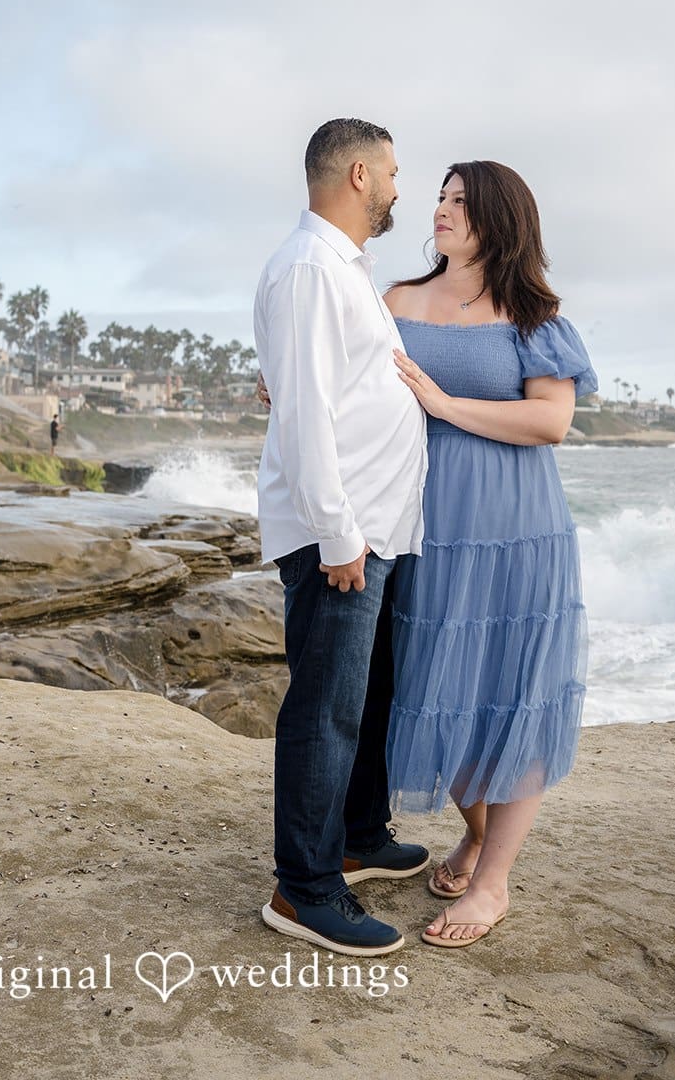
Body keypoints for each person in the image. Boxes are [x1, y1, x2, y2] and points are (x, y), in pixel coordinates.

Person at [383, 160, 598, 948]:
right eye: (439, 197)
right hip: (423, 523)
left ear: (499, 219)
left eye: (461, 202)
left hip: (516, 529)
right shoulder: (396, 300)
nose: (440, 209)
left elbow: (549, 423)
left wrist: (442, 404)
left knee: (512, 694)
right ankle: (476, 833)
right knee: (437, 685)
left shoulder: (534, 315)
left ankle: (493, 881)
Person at [253, 118, 430, 957]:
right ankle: (305, 889)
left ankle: (359, 837)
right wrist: (335, 536)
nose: (398, 187)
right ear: (359, 174)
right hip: (342, 532)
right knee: (325, 713)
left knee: (367, 699)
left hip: (375, 526)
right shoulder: (308, 269)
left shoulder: (344, 269)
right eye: (391, 171)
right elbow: (303, 414)